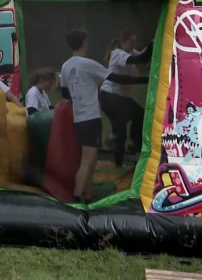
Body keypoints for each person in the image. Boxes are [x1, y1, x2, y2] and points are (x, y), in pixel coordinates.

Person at [60, 29, 148, 204]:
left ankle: (87, 192)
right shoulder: (88, 64)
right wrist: (147, 80)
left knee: (91, 159)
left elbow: (65, 94)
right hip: (90, 119)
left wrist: (81, 91)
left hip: (78, 119)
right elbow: (116, 78)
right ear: (84, 42)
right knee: (87, 160)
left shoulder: (65, 66)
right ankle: (77, 199)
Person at [100, 30, 154, 166]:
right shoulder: (118, 54)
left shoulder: (131, 52)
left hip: (121, 99)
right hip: (109, 96)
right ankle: (118, 162)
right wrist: (152, 44)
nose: (134, 44)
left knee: (140, 115)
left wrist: (153, 47)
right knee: (122, 129)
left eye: (135, 41)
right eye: (132, 41)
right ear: (123, 41)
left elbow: (144, 57)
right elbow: (140, 59)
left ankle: (134, 145)